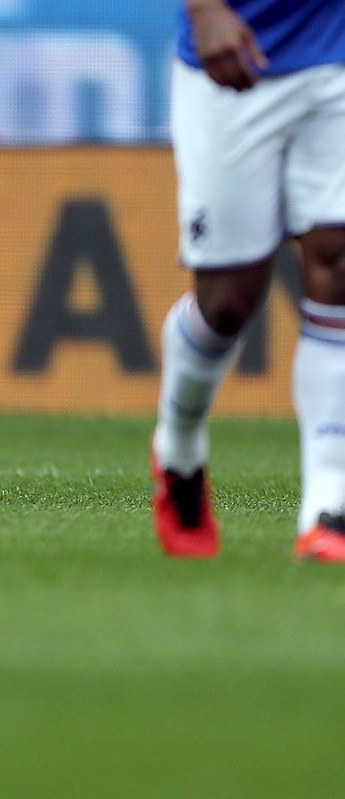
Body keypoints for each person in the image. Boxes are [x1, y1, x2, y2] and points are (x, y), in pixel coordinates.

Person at [152, 0, 345, 561]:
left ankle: (327, 509)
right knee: (229, 303)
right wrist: (204, 9)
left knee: (337, 261)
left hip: (334, 48)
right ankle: (179, 445)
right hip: (236, 55)